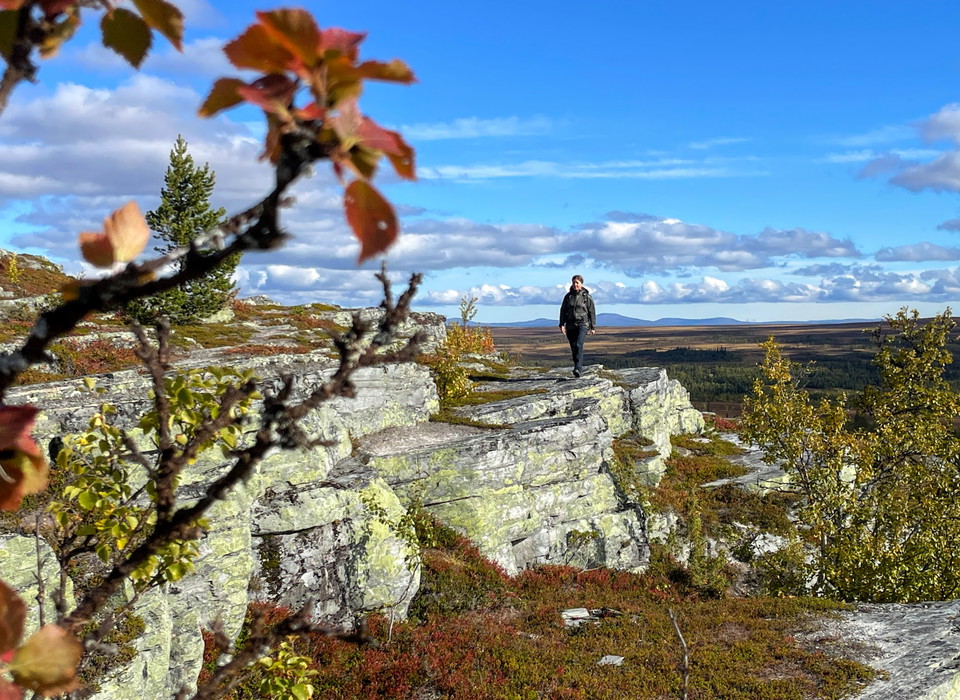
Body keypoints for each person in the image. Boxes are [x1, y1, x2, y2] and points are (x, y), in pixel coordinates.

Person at [558, 274, 596, 378]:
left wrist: (592, 327)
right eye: (574, 283)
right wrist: (561, 324)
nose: (575, 285)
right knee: (574, 347)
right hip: (570, 325)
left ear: (581, 284)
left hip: (582, 324)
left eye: (577, 283)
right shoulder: (568, 296)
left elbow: (591, 311)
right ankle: (576, 367)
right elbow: (563, 311)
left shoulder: (586, 297)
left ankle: (578, 368)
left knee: (579, 344)